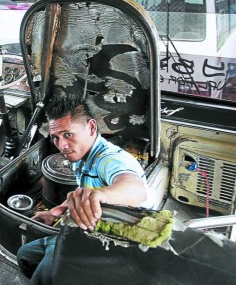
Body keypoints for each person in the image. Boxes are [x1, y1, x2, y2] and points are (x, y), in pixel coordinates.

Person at [17, 95, 150, 285]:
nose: (61, 145)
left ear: (92, 127)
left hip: (117, 241)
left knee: (46, 275)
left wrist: (100, 195)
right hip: (85, 231)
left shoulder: (110, 159)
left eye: (68, 134)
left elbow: (136, 189)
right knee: (25, 256)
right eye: (55, 138)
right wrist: (58, 211)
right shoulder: (81, 156)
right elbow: (84, 187)